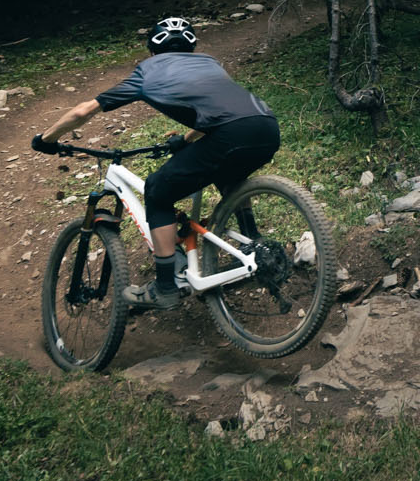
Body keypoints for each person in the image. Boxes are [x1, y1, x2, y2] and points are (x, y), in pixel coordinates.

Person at [32, 16, 279, 310]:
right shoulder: (210, 64)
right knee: (230, 173)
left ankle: (165, 288)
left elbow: (83, 112)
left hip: (228, 134)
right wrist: (185, 140)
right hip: (266, 126)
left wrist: (46, 139)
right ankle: (255, 243)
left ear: (152, 51)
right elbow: (224, 112)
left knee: (158, 190)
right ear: (191, 48)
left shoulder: (147, 71)